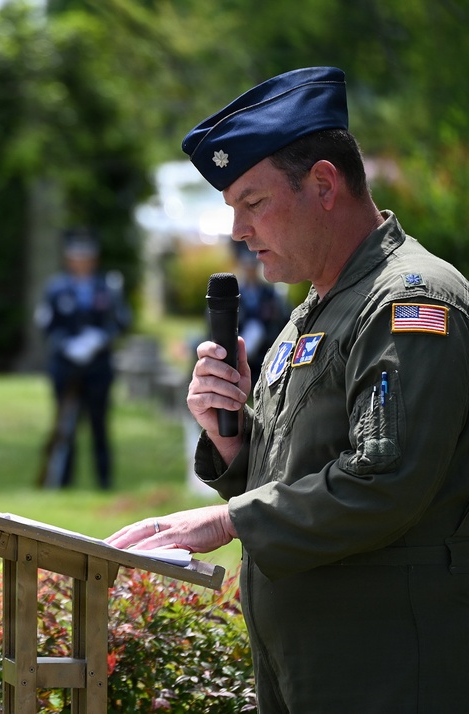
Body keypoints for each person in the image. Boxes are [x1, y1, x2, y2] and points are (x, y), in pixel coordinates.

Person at [106, 67, 469, 712]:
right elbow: (293, 472)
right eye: (232, 210)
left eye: (253, 202)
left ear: (324, 184)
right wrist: (231, 441)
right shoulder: (316, 307)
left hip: (389, 665)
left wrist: (224, 520)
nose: (238, 232)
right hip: (313, 660)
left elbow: (383, 483)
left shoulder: (408, 303)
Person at [34, 228, 131, 489]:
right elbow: (46, 325)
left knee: (100, 426)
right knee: (65, 426)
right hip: (65, 367)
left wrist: (100, 338)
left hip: (98, 367)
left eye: (87, 254)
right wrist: (68, 344)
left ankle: (104, 482)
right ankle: (62, 483)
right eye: (77, 254)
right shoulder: (56, 288)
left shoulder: (108, 286)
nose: (82, 260)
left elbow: (122, 321)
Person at [234, 245, 289, 390]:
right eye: (247, 265)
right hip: (242, 336)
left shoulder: (269, 292)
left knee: (257, 330)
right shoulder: (237, 292)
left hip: (265, 340)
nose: (250, 269)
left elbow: (282, 317)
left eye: (252, 265)